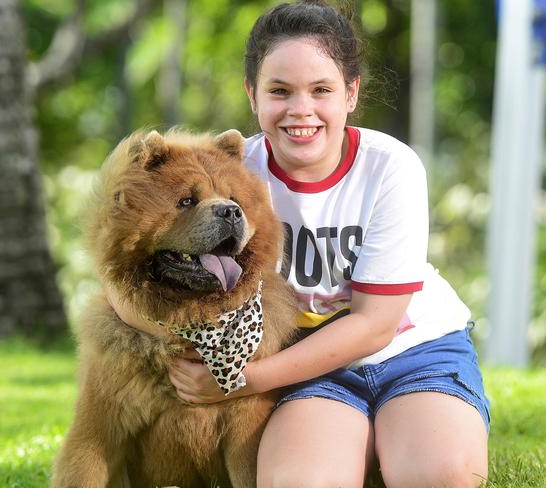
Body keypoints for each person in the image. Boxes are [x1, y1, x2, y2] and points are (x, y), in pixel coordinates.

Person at [110, 1, 490, 486]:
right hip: (307, 367)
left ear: (351, 93)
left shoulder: (389, 166)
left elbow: (374, 327)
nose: (300, 110)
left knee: (437, 476)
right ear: (253, 95)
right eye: (280, 91)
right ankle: (366, 441)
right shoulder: (227, 173)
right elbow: (126, 265)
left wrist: (235, 382)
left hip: (413, 352)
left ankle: (407, 432)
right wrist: (178, 340)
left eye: (321, 90)